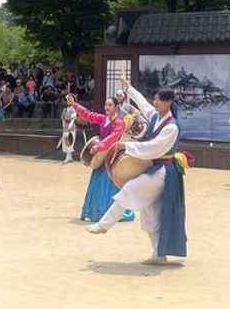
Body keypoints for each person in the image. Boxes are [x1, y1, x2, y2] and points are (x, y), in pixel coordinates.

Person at [87, 72, 189, 266]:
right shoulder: (155, 117)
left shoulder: (171, 127)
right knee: (151, 212)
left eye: (158, 100)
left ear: (168, 103)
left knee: (131, 189)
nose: (155, 103)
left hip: (163, 172)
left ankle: (104, 224)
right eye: (155, 100)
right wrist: (128, 87)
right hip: (152, 168)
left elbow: (154, 148)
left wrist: (127, 146)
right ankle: (159, 255)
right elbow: (142, 103)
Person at [69, 94, 134, 223]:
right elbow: (88, 114)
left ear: (116, 107)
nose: (106, 107)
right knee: (98, 181)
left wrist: (99, 146)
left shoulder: (119, 123)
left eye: (110, 105)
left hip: (111, 157)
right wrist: (74, 104)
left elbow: (113, 137)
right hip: (100, 156)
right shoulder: (103, 119)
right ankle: (97, 210)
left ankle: (112, 212)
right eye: (105, 105)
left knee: (109, 183)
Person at [57, 99, 78, 164]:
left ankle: (68, 157)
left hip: (71, 127)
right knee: (65, 142)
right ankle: (69, 157)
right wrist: (64, 126)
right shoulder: (65, 109)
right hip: (65, 127)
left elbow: (73, 119)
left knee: (70, 142)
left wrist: (70, 126)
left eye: (70, 100)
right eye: (68, 101)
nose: (68, 102)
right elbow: (63, 118)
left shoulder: (74, 109)